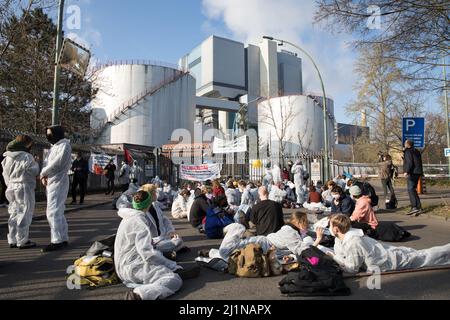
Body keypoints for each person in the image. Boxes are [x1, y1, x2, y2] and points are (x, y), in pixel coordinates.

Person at [114, 190, 183, 300]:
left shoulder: (129, 217)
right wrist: (171, 265)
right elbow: (147, 253)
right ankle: (139, 295)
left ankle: (161, 275)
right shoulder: (139, 220)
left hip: (126, 265)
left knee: (164, 258)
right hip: (133, 268)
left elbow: (146, 244)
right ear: (149, 203)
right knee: (174, 279)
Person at [328, 214, 450, 273]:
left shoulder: (353, 241)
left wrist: (334, 257)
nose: (328, 228)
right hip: (387, 255)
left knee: (425, 257)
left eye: (330, 226)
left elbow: (352, 268)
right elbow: (342, 251)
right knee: (422, 255)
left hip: (390, 261)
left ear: (336, 229)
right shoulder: (346, 236)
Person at [207, 211, 326, 261]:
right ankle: (236, 227)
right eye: (306, 223)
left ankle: (211, 253)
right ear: (299, 223)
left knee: (231, 256)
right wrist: (318, 239)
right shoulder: (291, 233)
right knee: (226, 252)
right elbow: (302, 250)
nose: (307, 225)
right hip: (261, 244)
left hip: (262, 244)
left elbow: (298, 248)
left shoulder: (290, 230)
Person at [2, 135, 40, 249]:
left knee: (13, 212)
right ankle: (22, 240)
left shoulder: (8, 157)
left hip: (11, 187)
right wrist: (36, 162)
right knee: (24, 212)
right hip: (24, 186)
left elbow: (5, 174)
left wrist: (10, 184)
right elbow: (33, 171)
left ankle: (12, 239)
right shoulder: (26, 156)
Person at [40, 125, 72, 252]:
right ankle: (63, 238)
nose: (49, 136)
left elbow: (56, 164)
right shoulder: (55, 147)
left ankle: (56, 240)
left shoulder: (64, 145)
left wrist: (43, 173)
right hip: (53, 180)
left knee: (53, 212)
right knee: (58, 211)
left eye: (50, 134)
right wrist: (44, 175)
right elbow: (47, 163)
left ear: (57, 134)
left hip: (58, 180)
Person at [140, 184, 185, 255]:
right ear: (149, 194)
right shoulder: (142, 212)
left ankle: (164, 252)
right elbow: (144, 236)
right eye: (154, 192)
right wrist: (160, 239)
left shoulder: (155, 205)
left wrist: (171, 232)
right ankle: (162, 252)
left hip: (162, 238)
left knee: (178, 240)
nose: (156, 194)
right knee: (176, 242)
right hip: (152, 242)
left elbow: (165, 220)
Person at [403, 140, 423, 216]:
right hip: (418, 172)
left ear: (407, 144)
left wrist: (406, 171)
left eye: (405, 143)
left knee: (410, 189)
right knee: (413, 189)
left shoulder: (408, 152)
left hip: (412, 172)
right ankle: (418, 207)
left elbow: (409, 162)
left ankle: (414, 207)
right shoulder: (416, 151)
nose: (404, 144)